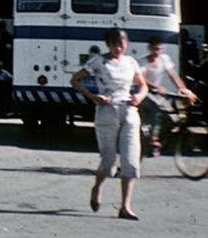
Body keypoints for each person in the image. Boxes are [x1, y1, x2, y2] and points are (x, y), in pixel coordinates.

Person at [71, 28, 148, 220]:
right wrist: (93, 97)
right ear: (108, 44)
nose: (118, 47)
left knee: (130, 161)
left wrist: (139, 96)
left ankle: (125, 206)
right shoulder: (98, 61)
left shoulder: (131, 62)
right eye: (115, 43)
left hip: (129, 112)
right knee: (108, 162)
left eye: (122, 43)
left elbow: (143, 85)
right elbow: (75, 80)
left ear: (126, 43)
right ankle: (97, 187)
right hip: (107, 112)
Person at [139, 36, 194, 157]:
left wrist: (183, 89)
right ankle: (153, 140)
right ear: (149, 49)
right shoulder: (143, 61)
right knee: (157, 108)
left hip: (157, 94)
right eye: (155, 49)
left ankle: (157, 139)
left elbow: (173, 76)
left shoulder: (164, 59)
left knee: (173, 117)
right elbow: (141, 79)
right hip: (143, 93)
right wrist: (156, 87)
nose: (157, 52)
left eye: (160, 49)